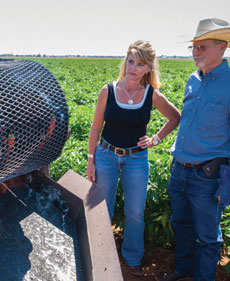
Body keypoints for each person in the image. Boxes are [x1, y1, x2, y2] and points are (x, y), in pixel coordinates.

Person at [156, 19, 230, 281]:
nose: (196, 52)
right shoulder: (193, 80)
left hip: (207, 176)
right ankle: (182, 271)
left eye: (202, 46)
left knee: (209, 237)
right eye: (194, 47)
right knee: (181, 224)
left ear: (222, 47)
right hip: (179, 169)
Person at [86, 40, 180, 276]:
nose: (133, 68)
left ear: (148, 69)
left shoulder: (151, 95)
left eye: (140, 64)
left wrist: (155, 139)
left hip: (136, 160)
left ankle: (131, 258)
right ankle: (99, 257)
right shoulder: (108, 91)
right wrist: (91, 159)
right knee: (101, 210)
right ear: (125, 62)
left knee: (135, 213)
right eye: (130, 61)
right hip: (106, 156)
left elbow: (175, 117)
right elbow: (96, 128)